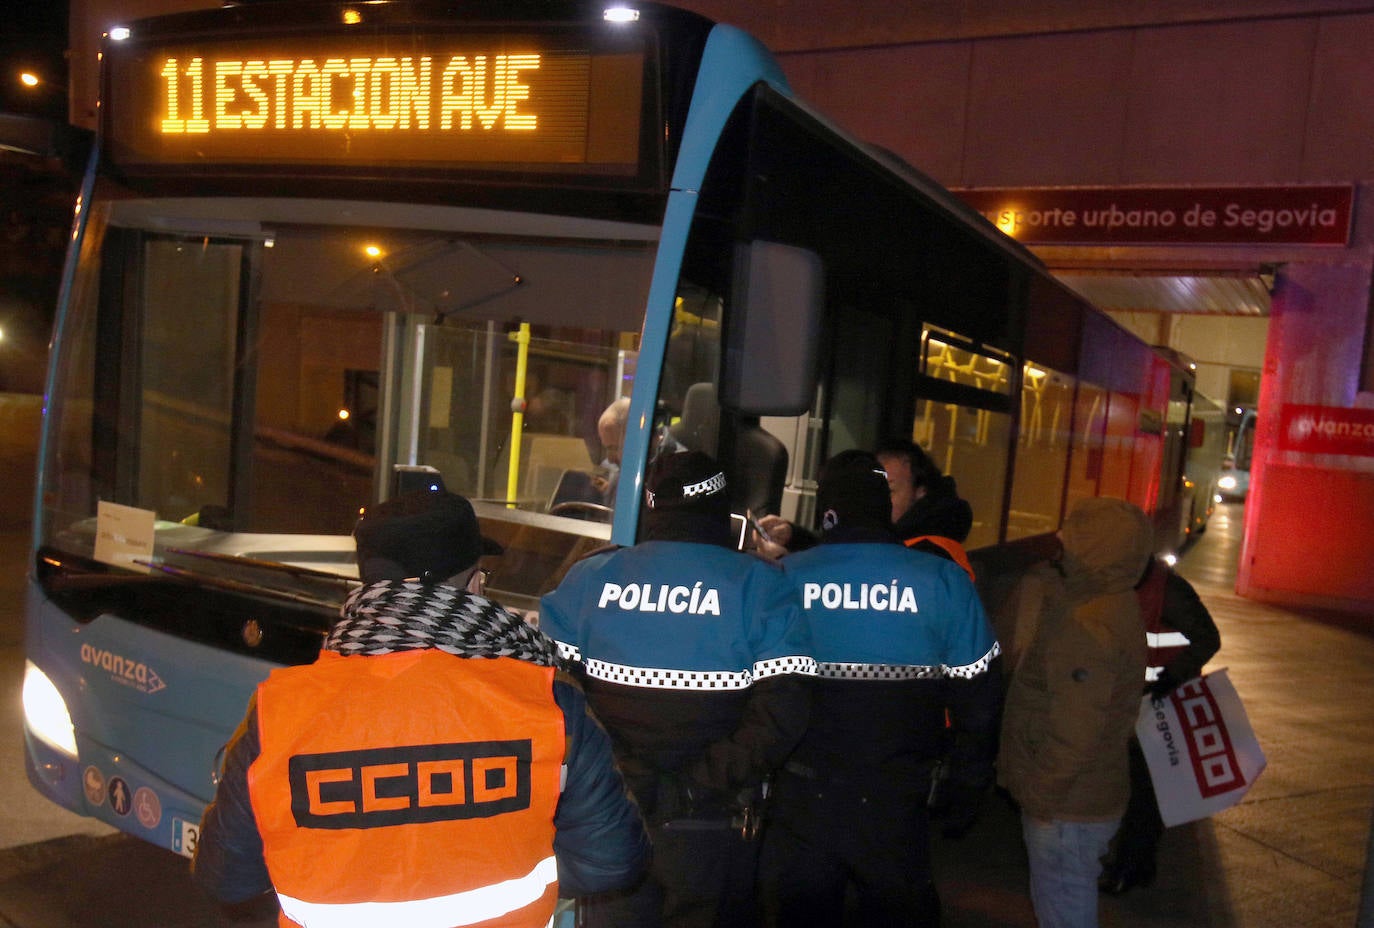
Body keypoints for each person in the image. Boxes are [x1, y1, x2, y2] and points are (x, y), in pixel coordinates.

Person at [192, 490, 650, 927]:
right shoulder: (548, 700)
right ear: (472, 583)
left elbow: (225, 878)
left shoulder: (278, 709)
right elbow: (611, 861)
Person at [539, 450, 816, 928]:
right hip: (712, 826)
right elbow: (782, 716)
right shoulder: (761, 586)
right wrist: (688, 789)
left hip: (609, 821)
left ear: (651, 506)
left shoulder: (590, 576)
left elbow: (552, 698)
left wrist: (624, 777)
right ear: (720, 511)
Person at [758, 450, 1002, 927]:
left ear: (827, 509)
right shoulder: (942, 580)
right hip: (896, 802)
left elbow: (753, 692)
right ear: (882, 507)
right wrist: (969, 780)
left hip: (801, 801)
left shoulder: (782, 579)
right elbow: (980, 699)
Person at [997, 496, 1154, 928]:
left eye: (1076, 530)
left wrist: (1042, 794)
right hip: (1085, 797)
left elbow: (1076, 727)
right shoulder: (1109, 601)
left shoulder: (1089, 624)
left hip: (1069, 806)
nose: (1062, 536)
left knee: (1064, 909)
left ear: (1099, 546)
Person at [1098, 556, 1221, 895]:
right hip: (1131, 700)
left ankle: (1131, 865)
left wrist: (1172, 677)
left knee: (1144, 790)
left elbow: (1208, 638)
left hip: (1157, 704)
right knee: (1135, 788)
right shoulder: (1122, 577)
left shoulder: (1168, 590)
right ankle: (1137, 863)